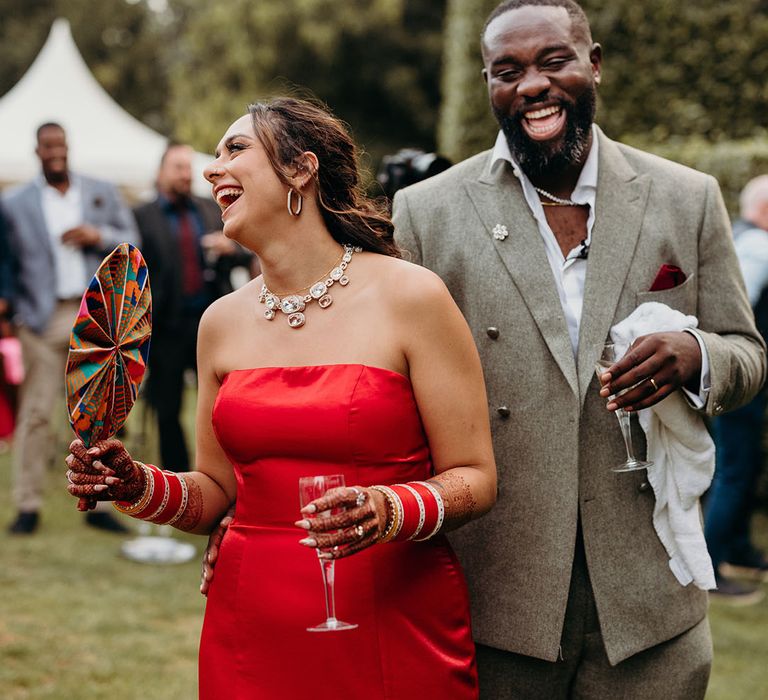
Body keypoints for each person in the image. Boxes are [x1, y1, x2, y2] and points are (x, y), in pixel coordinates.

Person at [391, 1, 765, 697]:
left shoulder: (687, 197)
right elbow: (386, 386)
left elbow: (747, 351)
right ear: (489, 86)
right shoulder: (426, 211)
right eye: (508, 71)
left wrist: (696, 353)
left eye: (554, 61)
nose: (532, 84)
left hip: (651, 601)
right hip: (495, 592)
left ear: (594, 64)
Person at [65, 97, 497, 699]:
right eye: (214, 156)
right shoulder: (219, 323)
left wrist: (389, 507)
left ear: (301, 170)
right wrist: (136, 485)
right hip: (251, 626)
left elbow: (476, 477)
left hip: (390, 618)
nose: (213, 169)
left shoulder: (412, 297)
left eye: (234, 149)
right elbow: (216, 495)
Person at [3, 122, 139, 534]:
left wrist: (96, 235)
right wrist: (17, 313)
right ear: (37, 150)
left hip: (92, 315)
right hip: (41, 319)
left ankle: (98, 503)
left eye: (61, 144)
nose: (56, 152)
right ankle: (27, 505)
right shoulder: (14, 203)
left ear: (68, 147)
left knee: (98, 415)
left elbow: (129, 240)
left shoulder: (99, 190)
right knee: (37, 412)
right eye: (48, 146)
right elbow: (5, 261)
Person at [135, 142, 253, 473]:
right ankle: (181, 478)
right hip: (167, 328)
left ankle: (226, 474)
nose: (186, 174)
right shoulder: (143, 217)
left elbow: (247, 252)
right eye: (178, 168)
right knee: (168, 409)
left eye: (188, 168)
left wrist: (229, 248)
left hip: (213, 322)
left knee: (222, 405)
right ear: (161, 173)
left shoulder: (208, 207)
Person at [704, 175, 768, 601]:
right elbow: (736, 314)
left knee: (739, 465)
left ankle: (739, 550)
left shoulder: (742, 237)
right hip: (740, 380)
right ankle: (709, 565)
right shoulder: (758, 248)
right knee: (733, 469)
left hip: (735, 380)